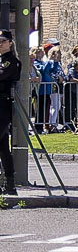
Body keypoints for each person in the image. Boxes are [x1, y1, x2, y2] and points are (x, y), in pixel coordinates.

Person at [0, 32, 17, 193]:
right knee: (3, 146)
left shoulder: (12, 62)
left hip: (2, 106)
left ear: (10, 43)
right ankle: (9, 183)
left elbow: (2, 76)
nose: (0, 44)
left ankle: (8, 183)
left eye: (2, 41)